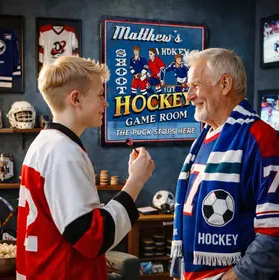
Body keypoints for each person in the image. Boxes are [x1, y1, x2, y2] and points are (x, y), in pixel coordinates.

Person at [16, 56, 155, 280]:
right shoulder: (63, 152)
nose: (106, 103)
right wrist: (136, 181)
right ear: (76, 99)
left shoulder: (46, 143)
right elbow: (92, 238)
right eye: (101, 95)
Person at [170, 48, 279, 280]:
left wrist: (233, 277)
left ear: (225, 84)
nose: (189, 95)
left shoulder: (261, 138)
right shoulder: (206, 138)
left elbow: (274, 233)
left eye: (196, 85)